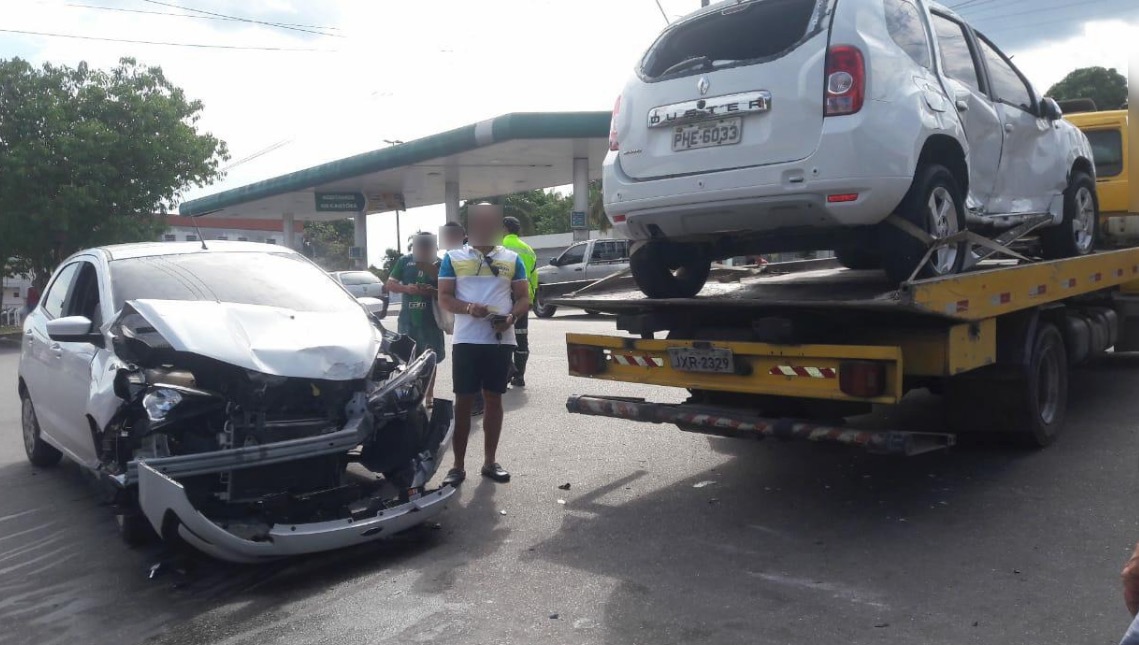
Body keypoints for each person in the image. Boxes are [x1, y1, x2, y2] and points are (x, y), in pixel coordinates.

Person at [437, 203, 530, 485]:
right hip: (466, 340)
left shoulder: (513, 258)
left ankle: (490, 462)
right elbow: (444, 297)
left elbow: (524, 298)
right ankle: (457, 466)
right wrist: (468, 308)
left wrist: (512, 317)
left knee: (493, 399)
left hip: (500, 341)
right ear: (471, 227)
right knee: (463, 401)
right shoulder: (453, 257)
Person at [385, 232, 446, 407]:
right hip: (408, 322)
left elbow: (449, 290)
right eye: (421, 246)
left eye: (429, 246)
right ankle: (410, 395)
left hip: (431, 322)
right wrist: (407, 289)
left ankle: (429, 395)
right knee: (407, 360)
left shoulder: (440, 263)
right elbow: (390, 284)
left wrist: (432, 291)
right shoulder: (404, 261)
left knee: (431, 359)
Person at [439, 221, 485, 417]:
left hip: (473, 315)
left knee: (468, 364)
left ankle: (475, 402)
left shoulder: (465, 256)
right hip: (470, 315)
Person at [501, 216, 537, 387]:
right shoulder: (528, 249)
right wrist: (531, 298)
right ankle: (519, 376)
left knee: (500, 336)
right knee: (521, 337)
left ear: (504, 229)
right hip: (523, 298)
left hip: (505, 296)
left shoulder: (500, 246)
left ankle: (506, 373)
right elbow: (534, 276)